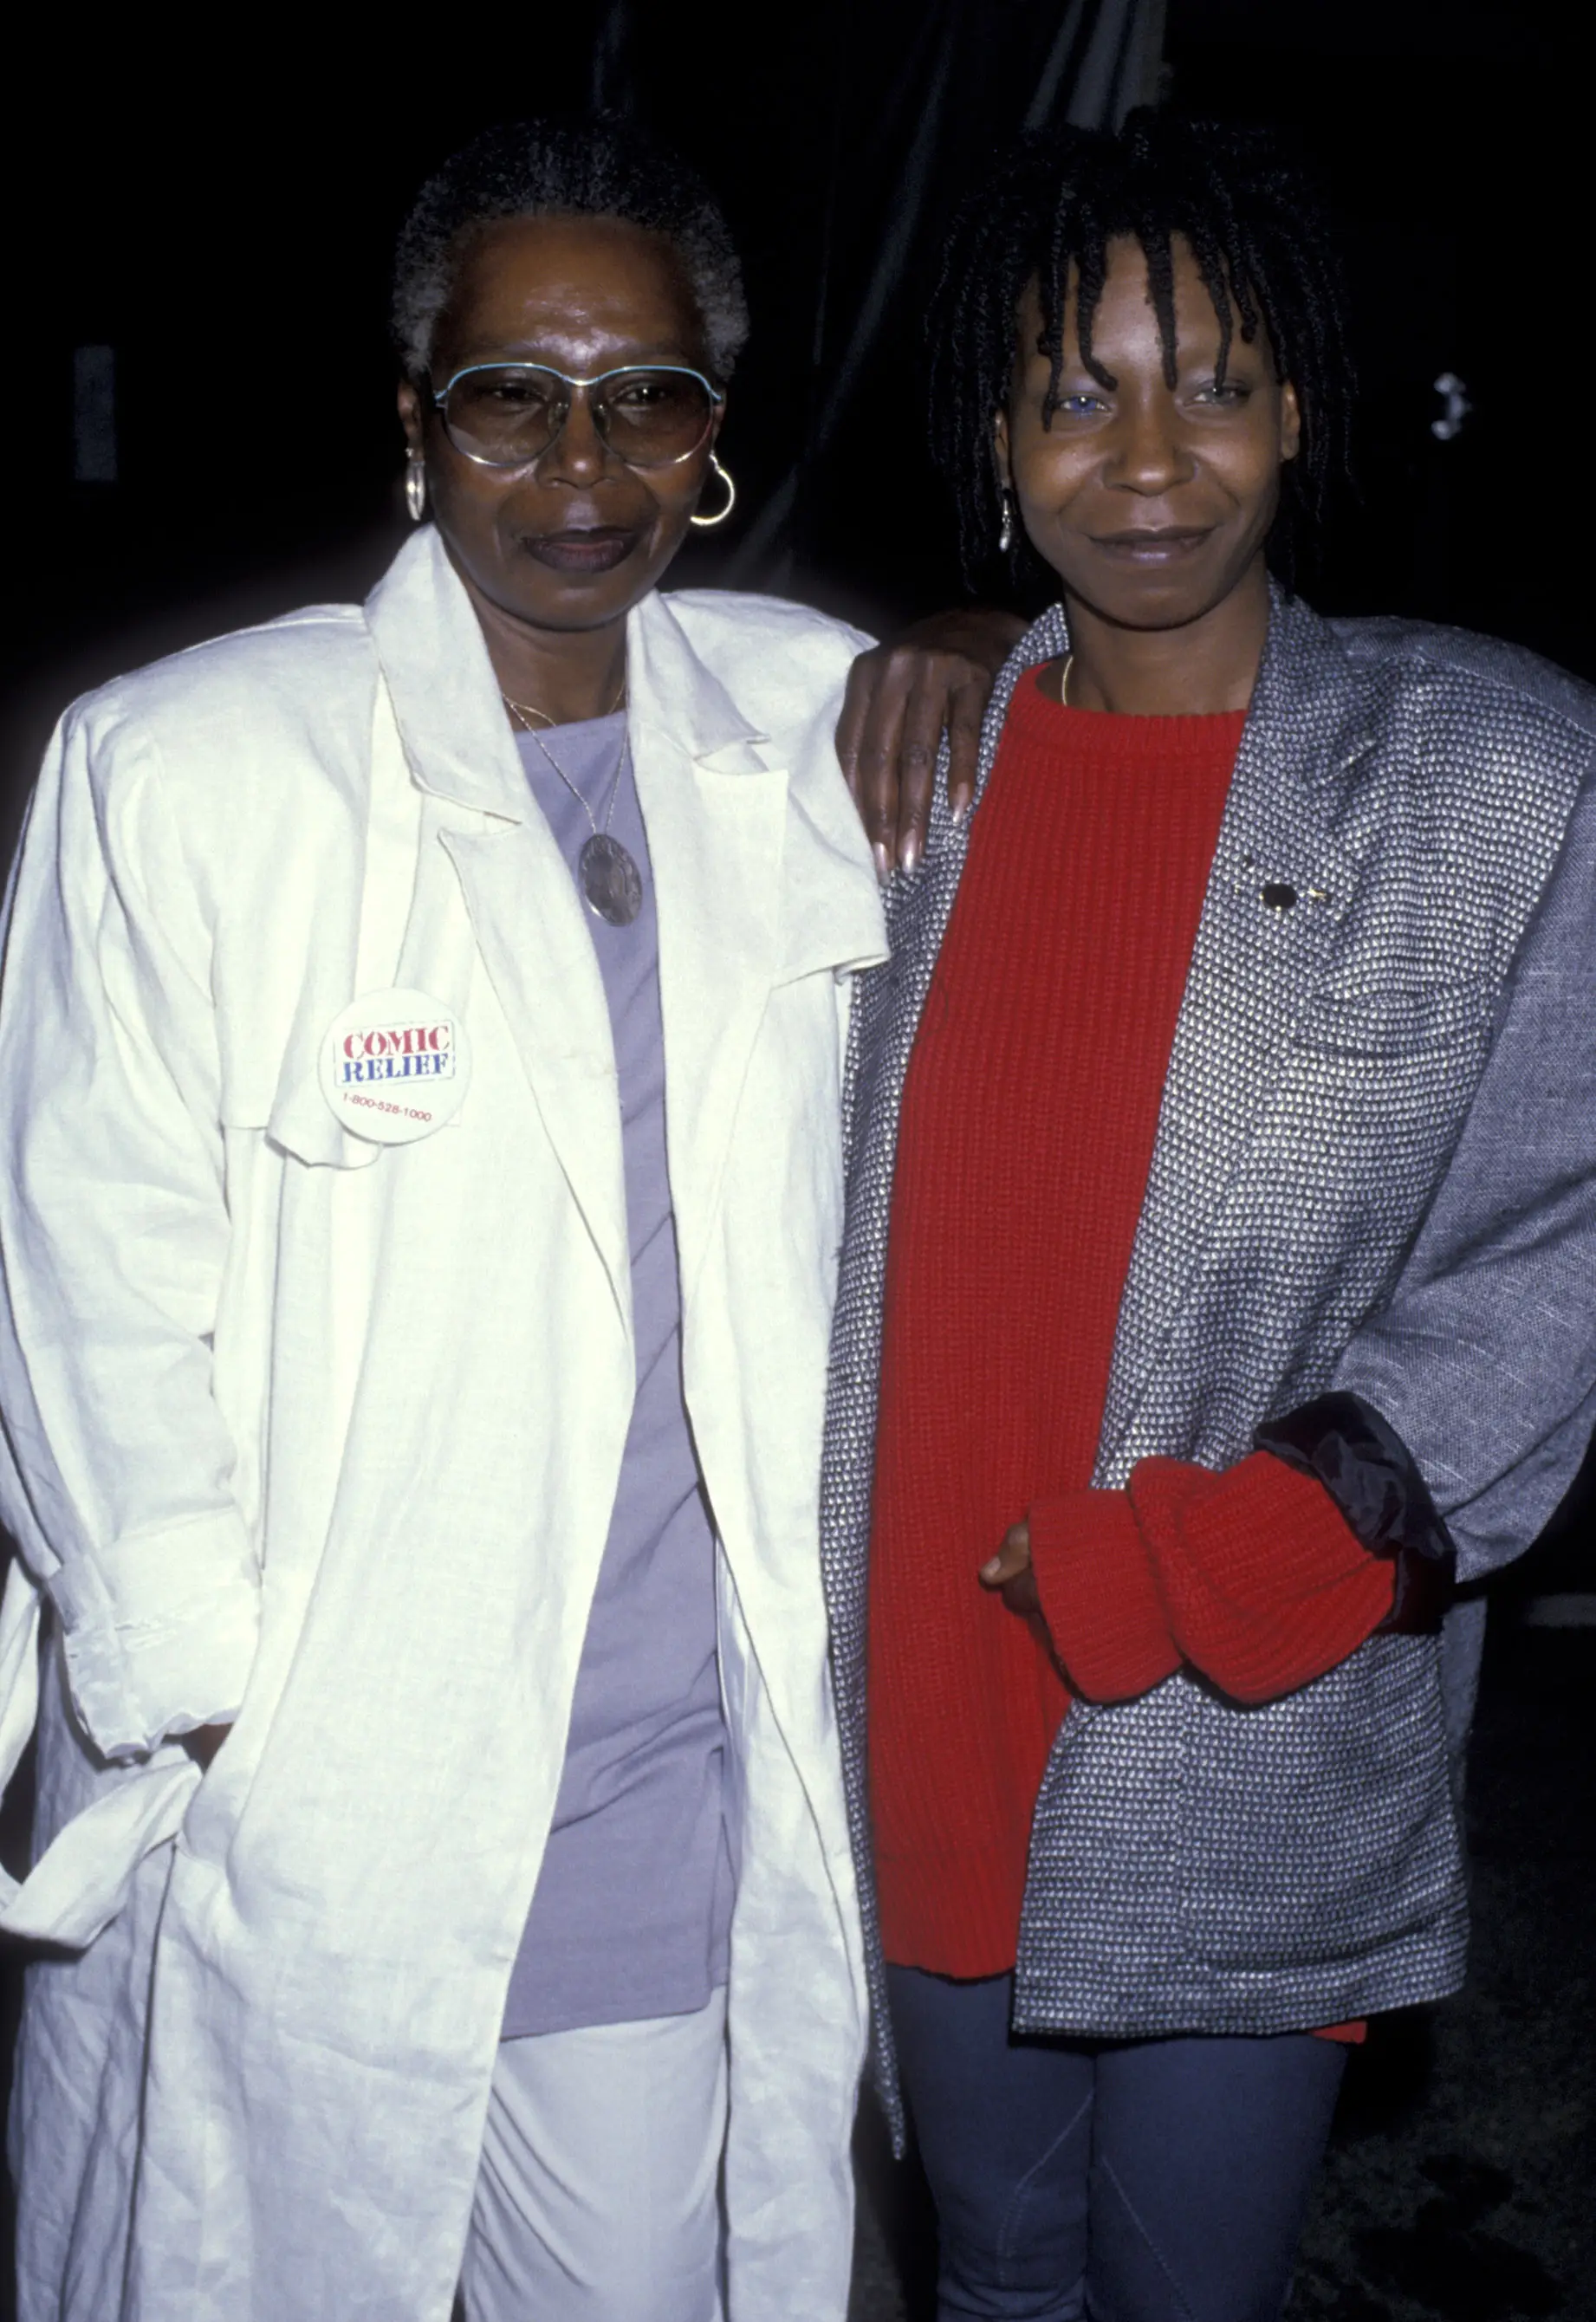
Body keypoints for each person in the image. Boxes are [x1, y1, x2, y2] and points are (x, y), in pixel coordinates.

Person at [0, 119, 1007, 2322]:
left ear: (712, 434)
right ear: (416, 421)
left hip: (656, 1780)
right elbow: (83, 1277)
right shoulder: (192, 769)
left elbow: (1069, 739)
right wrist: (204, 1702)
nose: (583, 462)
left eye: (648, 395)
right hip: (316, 1770)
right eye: (510, 395)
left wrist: (974, 615)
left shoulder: (796, 719)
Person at [822, 110, 1596, 2322]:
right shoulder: (893, 793)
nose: (1149, 459)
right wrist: (947, 635)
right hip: (926, 1691)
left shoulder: (1493, 778)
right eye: (1076, 393)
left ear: (1300, 414)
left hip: (1239, 1706)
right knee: (990, 2270)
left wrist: (1205, 1560)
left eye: (1215, 385)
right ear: (994, 432)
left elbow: (1553, 1255)